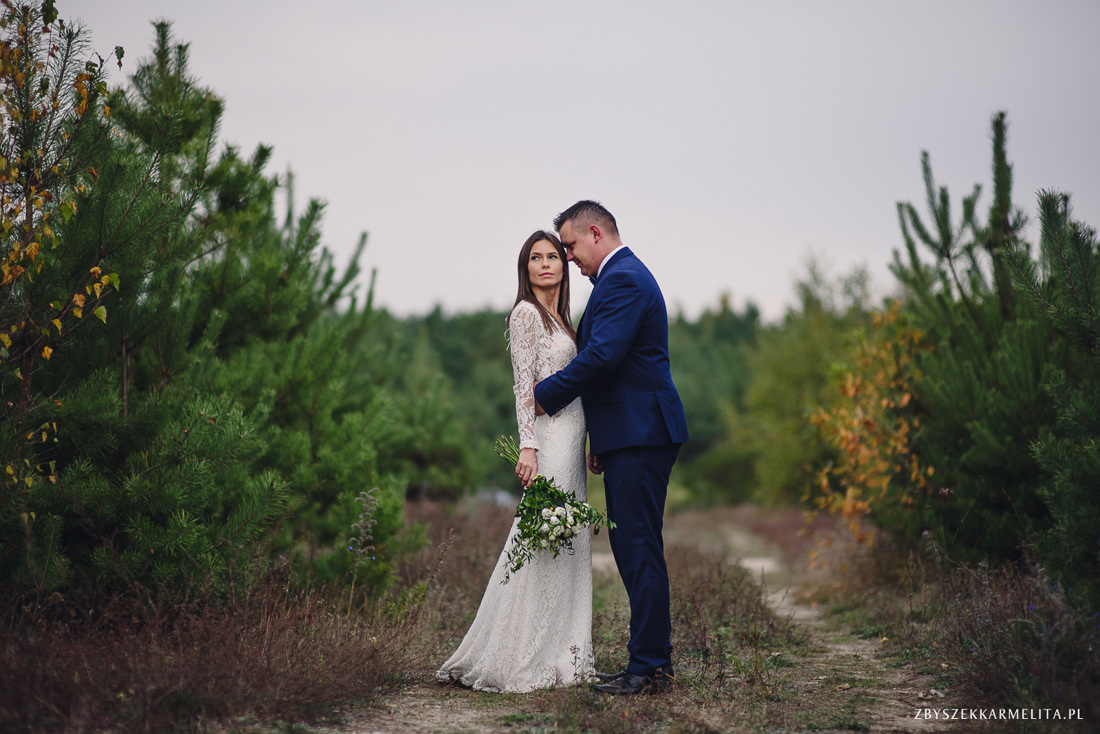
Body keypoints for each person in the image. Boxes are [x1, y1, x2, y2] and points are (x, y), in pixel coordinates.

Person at [534, 200, 688, 695]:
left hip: (643, 431)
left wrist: (544, 395)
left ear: (596, 233)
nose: (568, 257)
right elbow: (617, 369)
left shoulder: (622, 279)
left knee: (638, 546)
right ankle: (648, 662)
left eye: (572, 246)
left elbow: (603, 357)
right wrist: (601, 437)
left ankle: (649, 668)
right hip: (631, 431)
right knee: (634, 544)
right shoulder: (620, 278)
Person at [436, 230, 595, 692]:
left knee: (567, 539)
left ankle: (566, 652)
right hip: (549, 442)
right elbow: (522, 388)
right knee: (543, 540)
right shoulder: (526, 315)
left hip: (573, 438)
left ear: (564, 266)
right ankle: (523, 655)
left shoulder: (560, 317)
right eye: (535, 258)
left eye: (553, 257)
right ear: (525, 269)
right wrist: (529, 445)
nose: (546, 264)